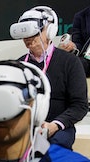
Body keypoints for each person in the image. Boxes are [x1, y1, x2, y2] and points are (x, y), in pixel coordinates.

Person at [10, 6, 88, 149]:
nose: (28, 39)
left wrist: (55, 125)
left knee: (50, 150)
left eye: (33, 33)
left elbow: (80, 106)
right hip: (25, 126)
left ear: (51, 31)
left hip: (57, 128)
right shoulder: (19, 65)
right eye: (25, 35)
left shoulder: (70, 62)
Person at [59, 6, 90, 77]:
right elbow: (78, 43)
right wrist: (73, 46)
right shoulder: (80, 16)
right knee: (70, 63)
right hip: (87, 60)